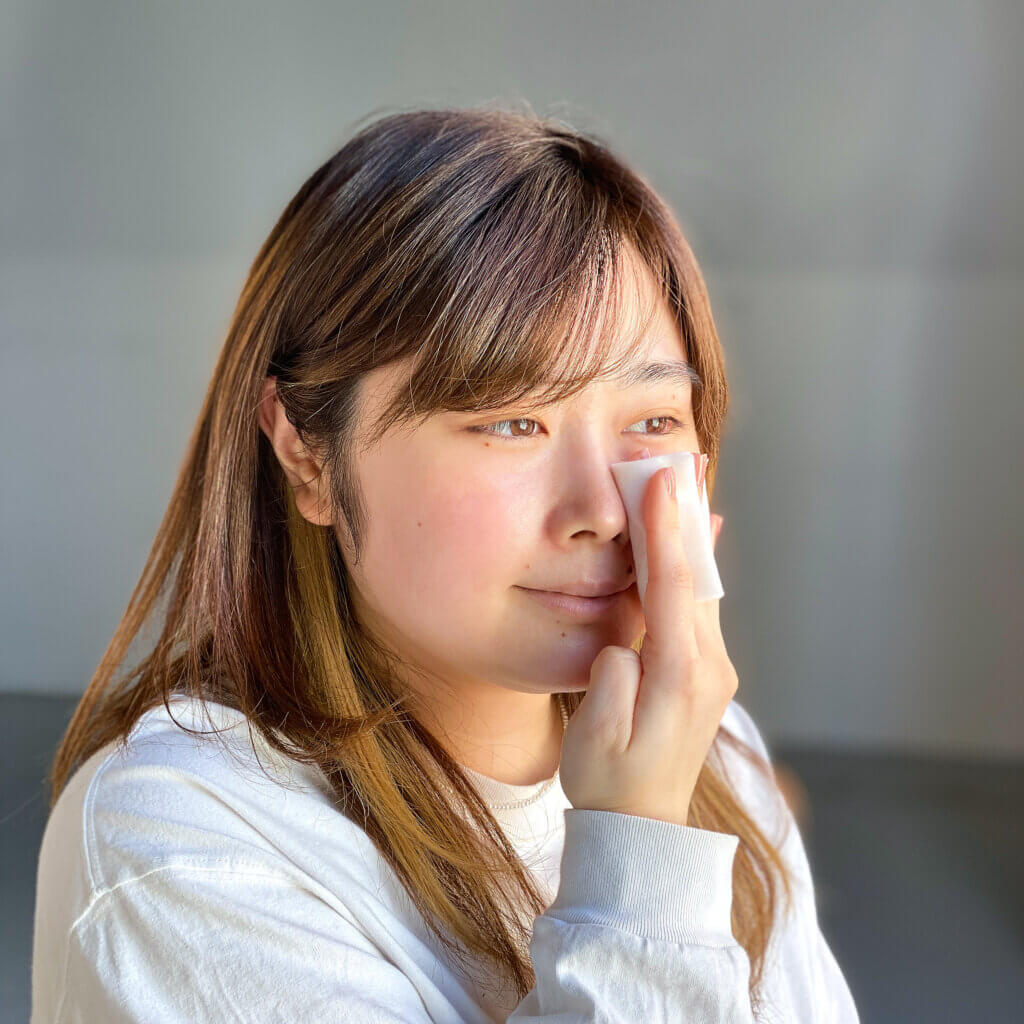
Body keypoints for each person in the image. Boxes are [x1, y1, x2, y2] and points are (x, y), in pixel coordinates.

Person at [30, 105, 860, 1022]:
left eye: (652, 423)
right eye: (511, 423)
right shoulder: (184, 842)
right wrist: (640, 848)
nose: (599, 513)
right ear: (308, 453)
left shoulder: (715, 752)